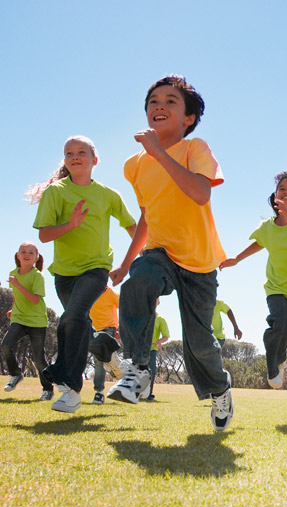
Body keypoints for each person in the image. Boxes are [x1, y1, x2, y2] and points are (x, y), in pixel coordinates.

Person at [108, 75, 233, 432]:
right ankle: (137, 370)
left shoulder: (196, 149)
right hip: (159, 250)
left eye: (170, 101)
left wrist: (160, 154)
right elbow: (147, 216)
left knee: (199, 343)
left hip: (199, 261)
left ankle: (220, 389)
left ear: (188, 118)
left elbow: (200, 193)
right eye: (153, 101)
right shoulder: (134, 165)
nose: (159, 106)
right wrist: (126, 262)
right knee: (138, 283)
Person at [31, 136, 136, 413]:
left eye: (81, 152)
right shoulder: (56, 192)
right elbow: (44, 235)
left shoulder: (109, 195)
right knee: (77, 325)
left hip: (96, 268)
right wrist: (71, 224)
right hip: (64, 274)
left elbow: (132, 227)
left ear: (94, 160)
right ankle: (107, 350)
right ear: (65, 160)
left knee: (73, 317)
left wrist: (128, 263)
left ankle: (70, 389)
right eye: (69, 153)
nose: (75, 157)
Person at [220, 171, 287, 424]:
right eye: (281, 189)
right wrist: (236, 258)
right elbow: (259, 243)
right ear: (275, 197)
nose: (286, 191)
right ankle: (275, 360)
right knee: (281, 322)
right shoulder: (267, 226)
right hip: (277, 288)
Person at [2, 242, 54, 400]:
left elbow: (35, 300)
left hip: (36, 321)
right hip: (19, 318)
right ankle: (16, 374)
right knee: (6, 346)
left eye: (31, 253)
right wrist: (13, 308)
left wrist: (17, 284)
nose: (27, 254)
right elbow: (17, 295)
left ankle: (47, 389)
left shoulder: (37, 275)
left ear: (36, 258)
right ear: (18, 255)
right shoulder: (13, 273)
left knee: (39, 359)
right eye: (23, 251)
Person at [89, 286, 121, 405]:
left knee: (99, 360)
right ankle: (119, 372)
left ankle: (99, 393)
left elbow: (123, 308)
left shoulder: (112, 293)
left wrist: (119, 328)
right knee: (102, 360)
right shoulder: (89, 291)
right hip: (93, 330)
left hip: (109, 328)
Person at [148, 301, 170, 401]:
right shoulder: (140, 317)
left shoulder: (160, 319)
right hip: (139, 348)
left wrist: (159, 341)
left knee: (151, 370)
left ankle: (148, 393)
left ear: (158, 303)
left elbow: (166, 336)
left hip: (152, 349)